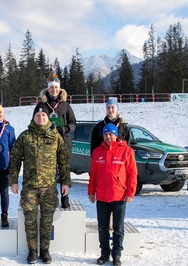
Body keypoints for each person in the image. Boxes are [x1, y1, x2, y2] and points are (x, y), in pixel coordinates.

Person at [9, 103, 71, 264]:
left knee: (46, 220)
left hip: (49, 187)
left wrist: (66, 182)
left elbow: (63, 161)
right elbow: (15, 160)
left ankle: (44, 250)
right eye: (38, 115)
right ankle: (32, 250)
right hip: (29, 187)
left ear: (48, 117)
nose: (41, 117)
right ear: (33, 117)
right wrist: (13, 181)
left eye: (44, 115)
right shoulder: (25, 136)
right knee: (29, 220)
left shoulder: (55, 136)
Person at [88, 124, 138, 266]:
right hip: (102, 197)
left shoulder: (126, 151)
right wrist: (91, 191)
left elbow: (133, 174)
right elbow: (93, 174)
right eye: (106, 135)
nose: (108, 137)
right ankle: (104, 253)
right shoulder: (97, 152)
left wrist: (130, 192)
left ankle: (116, 254)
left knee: (118, 228)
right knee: (102, 227)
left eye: (111, 134)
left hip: (119, 196)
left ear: (116, 135)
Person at [39, 72, 76, 209]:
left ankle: (65, 197)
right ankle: (51, 197)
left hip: (64, 143)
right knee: (49, 172)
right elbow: (35, 121)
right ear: (47, 89)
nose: (54, 90)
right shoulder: (42, 105)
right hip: (47, 143)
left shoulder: (65, 105)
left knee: (64, 170)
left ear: (59, 89)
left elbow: (73, 123)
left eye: (56, 88)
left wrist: (64, 129)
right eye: (51, 87)